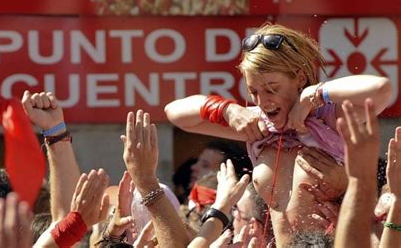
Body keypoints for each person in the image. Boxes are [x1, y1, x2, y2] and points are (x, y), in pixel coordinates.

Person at [165, 23, 392, 245]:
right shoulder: (256, 125)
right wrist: (227, 109)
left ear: (300, 79)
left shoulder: (327, 117)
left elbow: (381, 89)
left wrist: (314, 95)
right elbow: (176, 113)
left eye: (272, 89)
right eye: (254, 91)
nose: (263, 101)